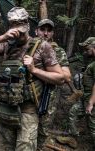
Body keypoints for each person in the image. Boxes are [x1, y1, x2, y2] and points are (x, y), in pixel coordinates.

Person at [0, 7, 64, 150]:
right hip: (5, 109)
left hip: (28, 111)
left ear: (28, 26)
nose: (19, 34)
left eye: (22, 28)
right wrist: (4, 37)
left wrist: (34, 70)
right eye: (15, 26)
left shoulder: (42, 46)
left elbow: (60, 78)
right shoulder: (6, 44)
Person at [35, 19, 72, 147]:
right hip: (28, 96)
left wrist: (49, 65)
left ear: (52, 34)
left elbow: (66, 77)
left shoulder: (58, 51)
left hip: (48, 96)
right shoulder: (29, 47)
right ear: (36, 31)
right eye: (42, 30)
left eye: (49, 31)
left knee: (42, 130)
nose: (45, 34)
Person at [68, 37, 95, 149]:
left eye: (87, 49)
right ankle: (74, 138)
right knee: (73, 112)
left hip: (91, 98)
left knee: (93, 126)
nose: (85, 52)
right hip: (86, 96)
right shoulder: (92, 63)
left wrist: (91, 103)